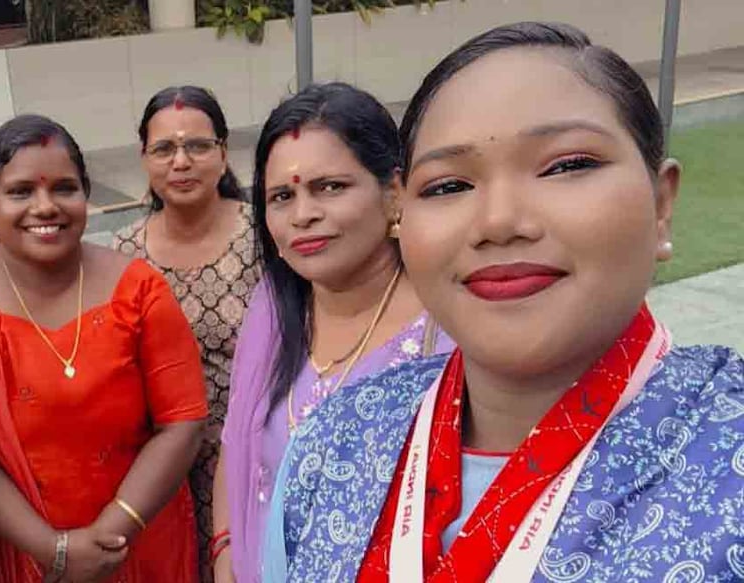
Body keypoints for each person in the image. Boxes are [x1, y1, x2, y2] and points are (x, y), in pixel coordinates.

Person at [264, 22, 743, 582]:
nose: (498, 223)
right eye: (447, 186)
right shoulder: (333, 445)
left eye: (566, 165)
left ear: (661, 205)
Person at [0, 114, 206, 582]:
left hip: (139, 543)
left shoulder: (139, 289)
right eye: (21, 191)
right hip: (24, 555)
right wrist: (56, 550)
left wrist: (109, 535)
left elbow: (182, 422)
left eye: (64, 188)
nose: (45, 206)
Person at [216, 82, 453, 583]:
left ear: (394, 193)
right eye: (282, 196)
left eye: (330, 187)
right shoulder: (274, 316)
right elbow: (239, 449)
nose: (303, 215)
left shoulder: (449, 327)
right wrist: (225, 555)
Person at [113, 85, 261, 580]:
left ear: (222, 153)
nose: (182, 162)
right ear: (144, 159)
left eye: (197, 146)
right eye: (164, 149)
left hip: (255, 460)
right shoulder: (121, 256)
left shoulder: (267, 238)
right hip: (161, 472)